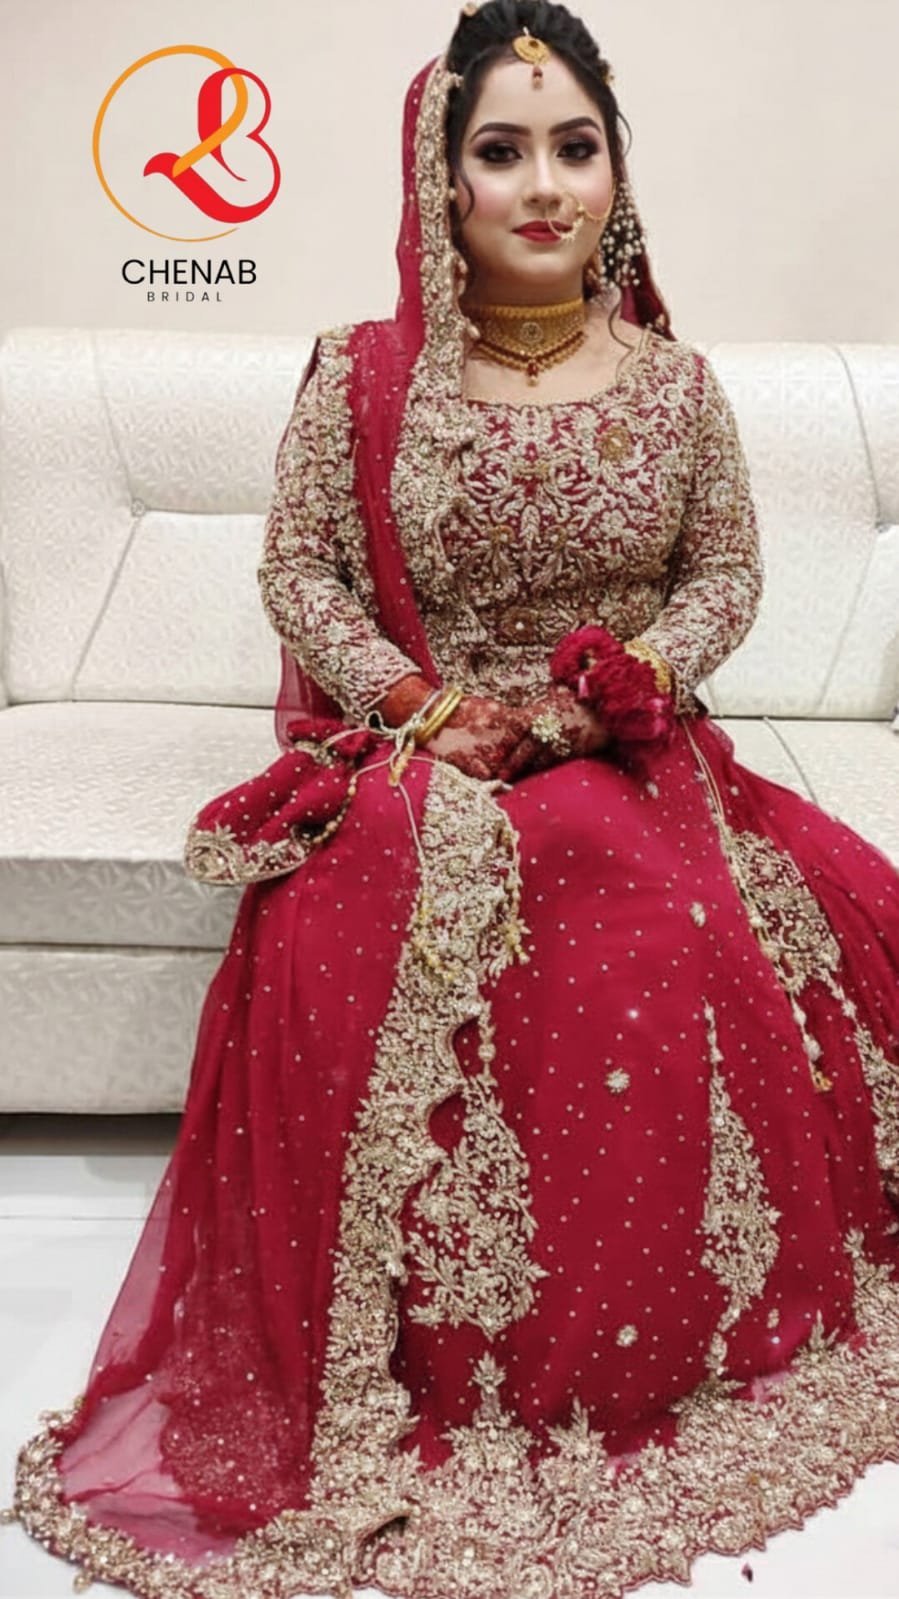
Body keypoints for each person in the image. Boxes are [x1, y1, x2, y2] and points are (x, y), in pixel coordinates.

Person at [7, 3, 899, 1596]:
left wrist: (626, 680)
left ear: (619, 168)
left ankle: (622, 1353)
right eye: (502, 150)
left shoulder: (679, 387)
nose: (544, 185)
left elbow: (725, 575)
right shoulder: (363, 377)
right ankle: (397, 1359)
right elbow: (302, 569)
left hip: (616, 747)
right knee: (361, 896)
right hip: (424, 746)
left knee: (631, 899)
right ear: (442, 177)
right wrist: (421, 705)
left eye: (575, 145)